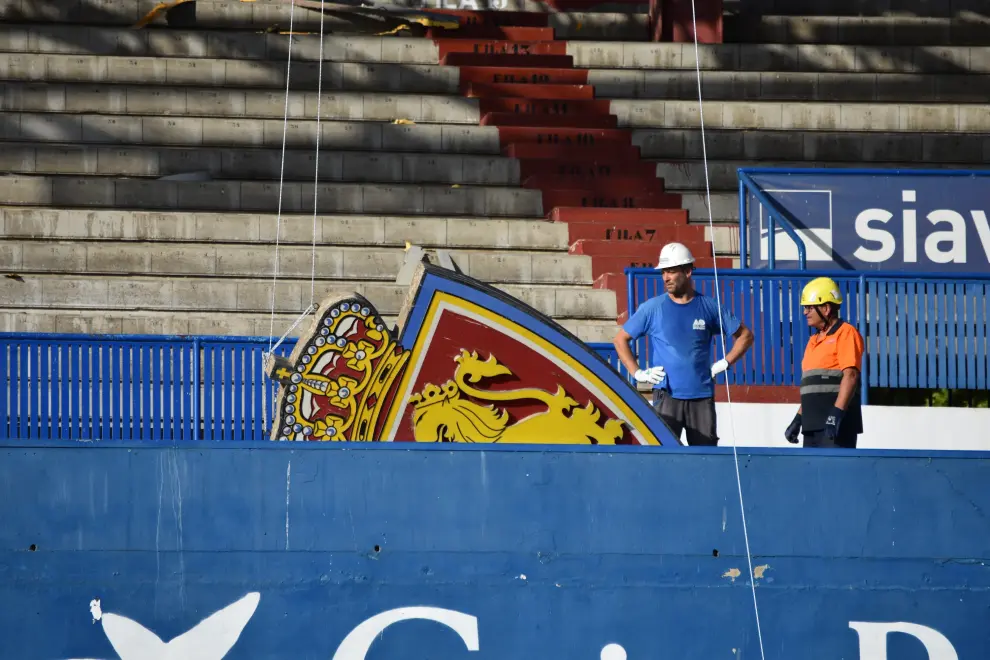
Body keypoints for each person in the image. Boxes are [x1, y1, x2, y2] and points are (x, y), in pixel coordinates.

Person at [613, 242, 754, 446]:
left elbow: (746, 336)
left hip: (702, 396)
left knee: (706, 460)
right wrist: (637, 373)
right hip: (666, 396)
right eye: (663, 272)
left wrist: (725, 363)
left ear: (687, 271)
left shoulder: (709, 307)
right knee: (664, 458)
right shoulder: (652, 308)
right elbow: (620, 340)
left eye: (671, 272)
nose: (665, 278)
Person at [784, 276, 865, 448]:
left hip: (835, 426)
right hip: (812, 426)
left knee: (835, 474)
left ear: (826, 308)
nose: (805, 312)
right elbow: (814, 387)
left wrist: (836, 414)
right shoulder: (813, 340)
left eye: (809, 307)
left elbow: (850, 376)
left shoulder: (846, 333)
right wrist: (798, 419)